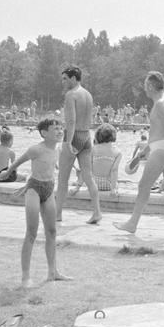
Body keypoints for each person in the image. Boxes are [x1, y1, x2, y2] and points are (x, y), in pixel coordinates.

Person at [114, 71, 164, 235]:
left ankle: (132, 223)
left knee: (143, 185)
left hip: (163, 151)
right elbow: (160, 131)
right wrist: (146, 149)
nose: (144, 88)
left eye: (145, 85)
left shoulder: (160, 103)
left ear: (151, 86)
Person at [0, 118, 72, 288]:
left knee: (52, 231)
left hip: (48, 189)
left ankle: (53, 272)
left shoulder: (58, 150)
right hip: (33, 189)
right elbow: (19, 161)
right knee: (31, 232)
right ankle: (25, 277)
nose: (60, 131)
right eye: (56, 128)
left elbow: (52, 167)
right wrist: (7, 172)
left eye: (61, 128)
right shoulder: (36, 149)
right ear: (44, 133)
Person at [55, 65, 101, 224]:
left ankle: (57, 214)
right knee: (88, 177)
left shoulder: (71, 95)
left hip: (74, 136)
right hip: (86, 136)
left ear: (73, 78)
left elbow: (71, 120)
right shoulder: (88, 94)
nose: (63, 82)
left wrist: (68, 141)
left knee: (63, 178)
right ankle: (97, 212)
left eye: (65, 79)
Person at [90, 123, 122, 195]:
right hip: (108, 185)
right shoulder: (117, 152)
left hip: (94, 184)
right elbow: (114, 170)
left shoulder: (93, 149)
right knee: (117, 183)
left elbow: (89, 168)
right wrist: (113, 189)